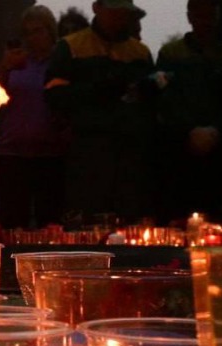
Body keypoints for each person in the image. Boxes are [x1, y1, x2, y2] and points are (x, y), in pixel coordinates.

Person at [45, 0, 157, 219]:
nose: (118, 17)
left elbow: (149, 106)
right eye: (113, 11)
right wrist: (98, 89)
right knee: (88, 219)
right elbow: (54, 96)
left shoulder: (140, 52)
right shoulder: (71, 47)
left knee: (129, 220)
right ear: (97, 8)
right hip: (88, 151)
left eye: (122, 12)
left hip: (129, 153)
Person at [155, 0, 222, 220]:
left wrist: (217, 130)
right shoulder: (171, 54)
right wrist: (189, 131)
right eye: (200, 16)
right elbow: (164, 101)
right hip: (180, 150)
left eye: (210, 16)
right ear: (190, 17)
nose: (206, 22)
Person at [0, 5, 67, 229]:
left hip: (50, 154)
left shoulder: (60, 63)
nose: (33, 37)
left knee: (50, 222)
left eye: (38, 31)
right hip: (12, 152)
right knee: (12, 222)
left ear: (50, 31)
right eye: (27, 33)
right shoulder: (16, 63)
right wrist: (5, 67)